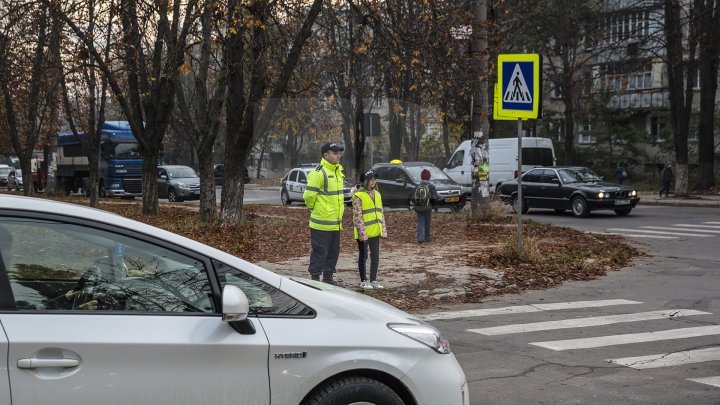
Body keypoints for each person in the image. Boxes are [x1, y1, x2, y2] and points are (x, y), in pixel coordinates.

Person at [303, 142, 347, 285]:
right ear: (325, 155)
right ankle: (315, 280)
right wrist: (317, 209)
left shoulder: (338, 171)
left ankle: (328, 279)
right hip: (321, 223)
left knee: (333, 254)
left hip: (335, 223)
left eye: (339, 153)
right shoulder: (318, 172)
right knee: (319, 253)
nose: (338, 155)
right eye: (334, 153)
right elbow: (308, 197)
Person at [352, 170, 387, 290]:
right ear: (366, 181)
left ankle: (373, 280)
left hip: (375, 232)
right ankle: (363, 280)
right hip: (364, 233)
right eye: (371, 179)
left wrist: (383, 229)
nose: (373, 181)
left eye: (374, 179)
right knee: (363, 256)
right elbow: (358, 216)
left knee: (375, 256)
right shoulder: (358, 196)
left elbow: (381, 213)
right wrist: (363, 233)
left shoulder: (377, 194)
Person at [413, 169, 438, 243]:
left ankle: (420, 237)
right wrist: (435, 207)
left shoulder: (417, 186)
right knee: (427, 222)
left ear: (421, 177)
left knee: (420, 221)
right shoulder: (431, 186)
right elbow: (434, 198)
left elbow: (414, 198)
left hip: (419, 207)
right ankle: (427, 237)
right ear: (429, 177)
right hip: (428, 207)